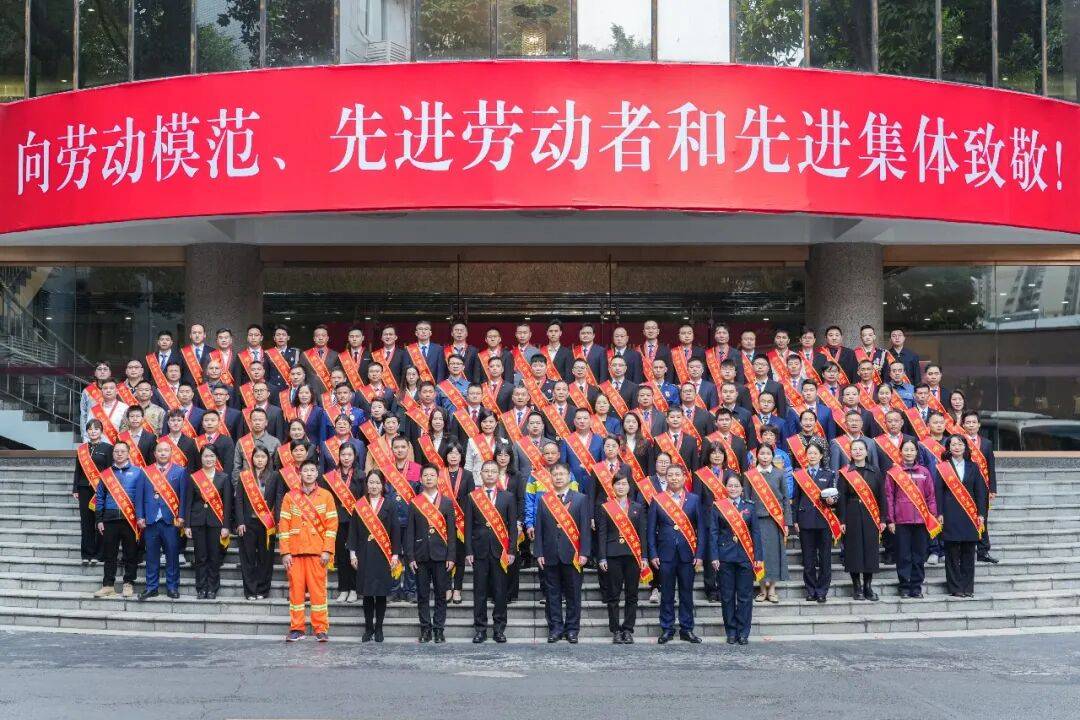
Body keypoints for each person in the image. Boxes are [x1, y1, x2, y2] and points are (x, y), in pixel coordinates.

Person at [280, 459, 339, 642]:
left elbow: (332, 526)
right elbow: (283, 525)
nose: (309, 473)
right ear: (300, 473)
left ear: (317, 474)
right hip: (295, 553)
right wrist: (285, 552)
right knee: (296, 593)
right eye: (305, 470)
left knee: (318, 593)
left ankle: (320, 628)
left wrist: (327, 550)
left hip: (317, 553)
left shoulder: (326, 496)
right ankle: (297, 628)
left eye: (312, 470)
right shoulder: (290, 497)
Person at [534, 463, 591, 643]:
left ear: (569, 476)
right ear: (550, 477)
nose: (558, 477)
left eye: (562, 474)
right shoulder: (544, 500)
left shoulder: (580, 499)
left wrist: (584, 552)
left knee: (573, 594)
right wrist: (539, 552)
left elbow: (585, 528)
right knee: (552, 595)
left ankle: (572, 630)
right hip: (550, 554)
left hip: (573, 555)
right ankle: (555, 629)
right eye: (555, 474)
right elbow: (539, 527)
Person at [647, 464, 704, 644]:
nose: (674, 478)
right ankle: (667, 628)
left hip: (688, 555)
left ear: (684, 477)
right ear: (666, 478)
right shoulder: (658, 499)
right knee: (667, 594)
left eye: (677, 475)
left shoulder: (694, 499)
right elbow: (650, 530)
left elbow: (701, 529)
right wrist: (653, 553)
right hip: (665, 555)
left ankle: (687, 629)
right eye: (670, 475)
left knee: (686, 594)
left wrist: (699, 554)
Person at [465, 460, 518, 644]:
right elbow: (468, 526)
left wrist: (512, 551)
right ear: (480, 474)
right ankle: (480, 629)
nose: (489, 474)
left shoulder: (508, 497)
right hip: (479, 551)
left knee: (500, 591)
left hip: (500, 551)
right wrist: (468, 551)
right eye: (486, 471)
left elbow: (512, 527)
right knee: (479, 591)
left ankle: (499, 629)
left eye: (493, 471)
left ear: (498, 474)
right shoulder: (473, 497)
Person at [405, 464, 457, 643]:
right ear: (421, 479)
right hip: (420, 555)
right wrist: (410, 556)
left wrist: (451, 556)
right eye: (425, 475)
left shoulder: (447, 503)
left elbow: (451, 533)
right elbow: (409, 532)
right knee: (422, 595)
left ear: (437, 479)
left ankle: (439, 629)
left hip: (441, 556)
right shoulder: (415, 503)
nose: (428, 478)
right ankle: (425, 629)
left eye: (432, 475)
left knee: (441, 594)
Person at [710, 474, 763, 645]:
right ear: (725, 487)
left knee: (745, 596)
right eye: (730, 486)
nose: (733, 489)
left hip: (745, 556)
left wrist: (758, 557)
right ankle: (731, 631)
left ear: (742, 488)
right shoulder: (718, 506)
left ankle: (743, 632)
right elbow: (713, 533)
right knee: (727, 596)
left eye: (736, 486)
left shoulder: (750, 506)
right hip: (725, 557)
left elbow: (756, 533)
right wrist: (714, 556)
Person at [350, 469, 402, 642]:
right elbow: (353, 531)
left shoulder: (390, 504)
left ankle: (379, 628)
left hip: (383, 554)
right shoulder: (360, 505)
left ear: (383, 485)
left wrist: (395, 555)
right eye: (371, 482)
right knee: (367, 594)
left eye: (377, 483)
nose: (374, 486)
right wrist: (352, 554)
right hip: (364, 553)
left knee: (380, 594)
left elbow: (395, 531)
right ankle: (368, 628)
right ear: (367, 484)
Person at [596, 473, 648, 644]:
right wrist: (602, 557)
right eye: (617, 484)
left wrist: (644, 556)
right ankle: (616, 630)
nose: (621, 487)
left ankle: (628, 629)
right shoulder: (606, 507)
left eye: (624, 484)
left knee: (632, 594)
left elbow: (642, 534)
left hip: (633, 555)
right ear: (613, 487)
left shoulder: (637, 507)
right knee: (613, 595)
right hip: (612, 555)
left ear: (629, 487)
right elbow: (602, 534)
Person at [936, 435, 988, 598]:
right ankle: (955, 587)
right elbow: (938, 492)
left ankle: (967, 587)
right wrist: (939, 513)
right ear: (948, 448)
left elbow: (980, 492)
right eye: (953, 444)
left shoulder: (974, 467)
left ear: (965, 447)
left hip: (970, 514)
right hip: (950, 513)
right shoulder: (943, 467)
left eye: (960, 444)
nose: (957, 447)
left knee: (968, 552)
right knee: (952, 552)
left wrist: (981, 513)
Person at [885, 439, 938, 599]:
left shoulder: (924, 472)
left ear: (916, 452)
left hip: (921, 521)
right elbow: (889, 497)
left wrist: (932, 517)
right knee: (903, 556)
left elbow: (931, 497)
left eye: (912, 450)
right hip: (901, 521)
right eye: (906, 449)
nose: (909, 452)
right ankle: (904, 586)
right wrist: (890, 520)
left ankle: (916, 587)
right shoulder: (893, 473)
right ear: (900, 452)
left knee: (919, 555)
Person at [137, 440, 190, 600]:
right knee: (151, 556)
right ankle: (151, 587)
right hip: (151, 520)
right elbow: (139, 496)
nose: (163, 453)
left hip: (171, 521)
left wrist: (182, 516)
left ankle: (172, 587)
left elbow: (183, 496)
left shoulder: (180, 471)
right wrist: (140, 516)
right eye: (160, 450)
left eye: (166, 450)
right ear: (155, 453)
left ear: (171, 453)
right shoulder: (146, 471)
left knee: (172, 556)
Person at [93, 441, 146, 598]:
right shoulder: (106, 474)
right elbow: (100, 497)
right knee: (110, 554)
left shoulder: (138, 472)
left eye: (123, 451)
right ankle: (108, 585)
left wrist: (141, 517)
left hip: (130, 519)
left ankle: (128, 583)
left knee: (131, 553)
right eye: (116, 451)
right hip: (110, 519)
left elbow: (142, 497)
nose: (119, 454)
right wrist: (99, 519)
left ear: (129, 453)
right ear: (113, 454)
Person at [836, 438, 887, 601]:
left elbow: (882, 497)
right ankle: (857, 587)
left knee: (870, 551)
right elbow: (841, 498)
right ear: (850, 453)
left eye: (861, 449)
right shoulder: (845, 472)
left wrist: (883, 519)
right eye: (854, 449)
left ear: (866, 452)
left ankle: (868, 587)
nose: (858, 452)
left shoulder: (875, 471)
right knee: (854, 550)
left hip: (871, 514)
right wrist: (842, 520)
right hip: (852, 513)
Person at [791, 438, 840, 602]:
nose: (812, 456)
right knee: (808, 558)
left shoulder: (829, 474)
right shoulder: (800, 475)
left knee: (825, 558)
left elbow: (835, 496)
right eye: (809, 453)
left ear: (820, 456)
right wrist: (795, 520)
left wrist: (832, 501)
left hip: (823, 520)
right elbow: (796, 499)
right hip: (805, 520)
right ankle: (811, 589)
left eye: (815, 453)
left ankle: (822, 591)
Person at [234, 444, 282, 600]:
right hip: (248, 523)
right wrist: (240, 521)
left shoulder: (275, 475)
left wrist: (278, 521)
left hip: (267, 523)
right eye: (257, 457)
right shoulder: (245, 476)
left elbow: (278, 499)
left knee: (265, 558)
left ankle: (262, 589)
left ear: (268, 459)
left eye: (263, 457)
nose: (260, 460)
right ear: (252, 458)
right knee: (247, 558)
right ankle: (250, 590)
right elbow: (239, 500)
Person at [744, 443, 789, 603]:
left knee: (774, 555)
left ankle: (772, 590)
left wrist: (786, 523)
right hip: (756, 521)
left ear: (772, 456)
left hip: (775, 520)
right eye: (762, 453)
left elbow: (785, 499)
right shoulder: (750, 475)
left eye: (768, 454)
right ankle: (762, 589)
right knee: (760, 555)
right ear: (757, 455)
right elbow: (746, 499)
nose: (765, 457)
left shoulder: (780, 474)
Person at [186, 445, 233, 600]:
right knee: (200, 557)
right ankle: (201, 588)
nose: (209, 459)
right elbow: (189, 502)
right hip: (197, 521)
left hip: (216, 522)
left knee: (214, 556)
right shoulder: (194, 477)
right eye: (206, 456)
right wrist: (187, 524)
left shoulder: (224, 477)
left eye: (212, 456)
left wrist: (226, 526)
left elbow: (227, 504)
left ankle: (212, 588)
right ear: (201, 458)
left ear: (216, 458)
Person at [321, 443, 361, 603]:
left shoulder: (361, 475)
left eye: (349, 455)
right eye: (343, 455)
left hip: (355, 521)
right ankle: (343, 589)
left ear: (354, 456)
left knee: (354, 556)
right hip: (337, 521)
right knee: (342, 556)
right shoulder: (330, 477)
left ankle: (354, 589)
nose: (346, 458)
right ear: (338, 456)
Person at [73, 419, 112, 566]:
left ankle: (98, 554)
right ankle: (86, 553)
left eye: (96, 429)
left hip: (100, 490)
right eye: (90, 429)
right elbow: (78, 470)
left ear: (101, 431)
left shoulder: (108, 448)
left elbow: (109, 471)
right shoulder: (82, 449)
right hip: (84, 488)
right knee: (86, 522)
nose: (93, 431)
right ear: (87, 431)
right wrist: (75, 488)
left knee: (99, 521)